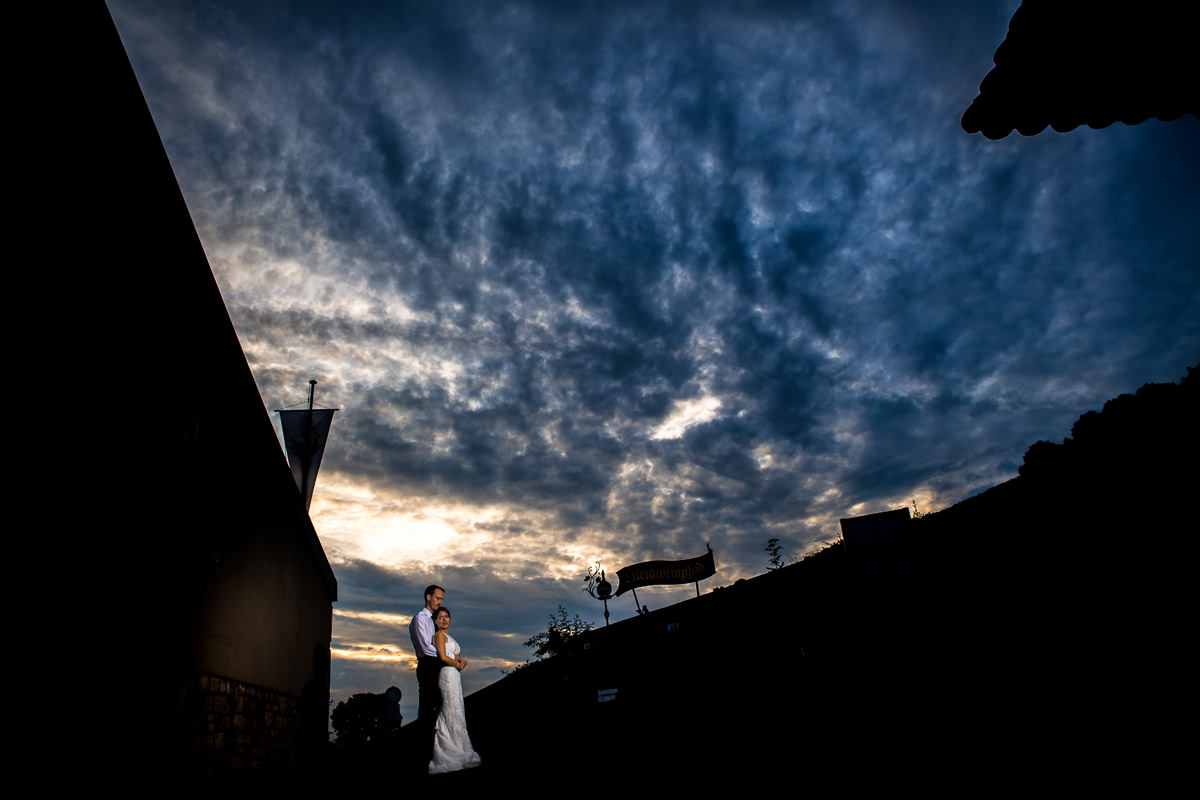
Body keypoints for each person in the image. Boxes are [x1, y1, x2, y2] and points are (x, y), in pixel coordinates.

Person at [428, 607, 481, 773]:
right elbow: (443, 657)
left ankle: (461, 747)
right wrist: (457, 664)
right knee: (449, 708)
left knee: (457, 709)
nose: (444, 620)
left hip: (455, 675)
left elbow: (458, 658)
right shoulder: (439, 636)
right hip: (446, 674)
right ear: (435, 621)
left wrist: (462, 663)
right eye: (440, 617)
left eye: (446, 617)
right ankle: (449, 750)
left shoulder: (450, 637)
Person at [409, 584, 455, 765]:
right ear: (428, 597)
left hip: (438, 666)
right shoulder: (420, 619)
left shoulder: (435, 620)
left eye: (442, 599)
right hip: (428, 666)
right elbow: (427, 648)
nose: (440, 602)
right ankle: (423, 756)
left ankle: (438, 752)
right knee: (428, 711)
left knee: (439, 708)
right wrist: (450, 656)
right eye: (437, 598)